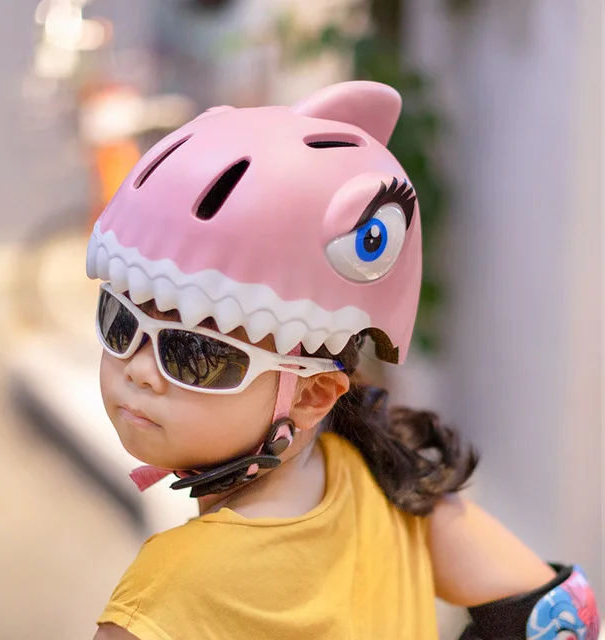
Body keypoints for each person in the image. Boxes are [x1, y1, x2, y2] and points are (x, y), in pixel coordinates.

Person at [87, 81, 599, 639]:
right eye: (120, 321)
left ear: (312, 395)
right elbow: (564, 616)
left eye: (196, 354)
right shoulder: (386, 482)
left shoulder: (167, 595)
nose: (139, 370)